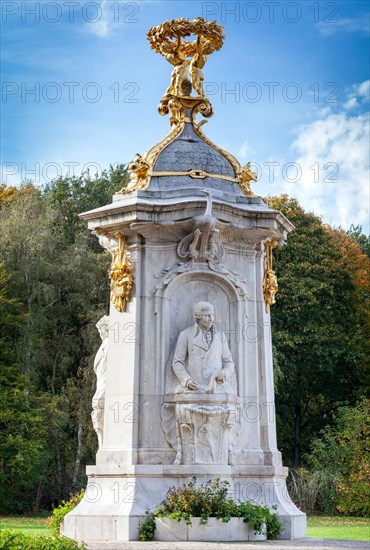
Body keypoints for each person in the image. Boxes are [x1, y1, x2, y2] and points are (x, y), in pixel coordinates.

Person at [172, 302, 236, 394]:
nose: (211, 319)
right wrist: (187, 380)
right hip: (195, 387)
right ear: (198, 317)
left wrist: (225, 373)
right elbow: (177, 362)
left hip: (217, 388)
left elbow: (228, 362)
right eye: (207, 315)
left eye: (212, 315)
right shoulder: (186, 335)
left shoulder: (221, 336)